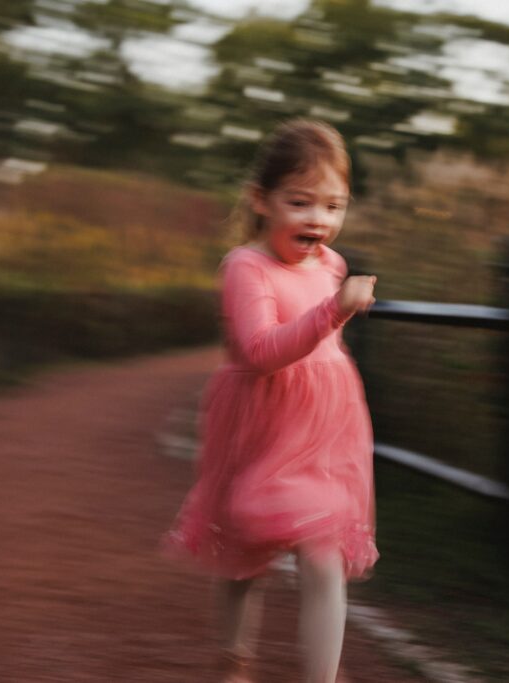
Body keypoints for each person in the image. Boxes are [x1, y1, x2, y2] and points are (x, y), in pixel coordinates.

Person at [164, 119, 378, 683]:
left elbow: (321, 351)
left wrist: (334, 319)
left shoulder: (330, 265)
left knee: (322, 551)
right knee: (242, 559)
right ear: (262, 200)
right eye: (301, 202)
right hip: (261, 430)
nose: (319, 220)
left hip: (324, 436)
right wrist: (335, 311)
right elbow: (261, 351)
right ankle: (234, 659)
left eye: (334, 206)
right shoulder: (245, 267)